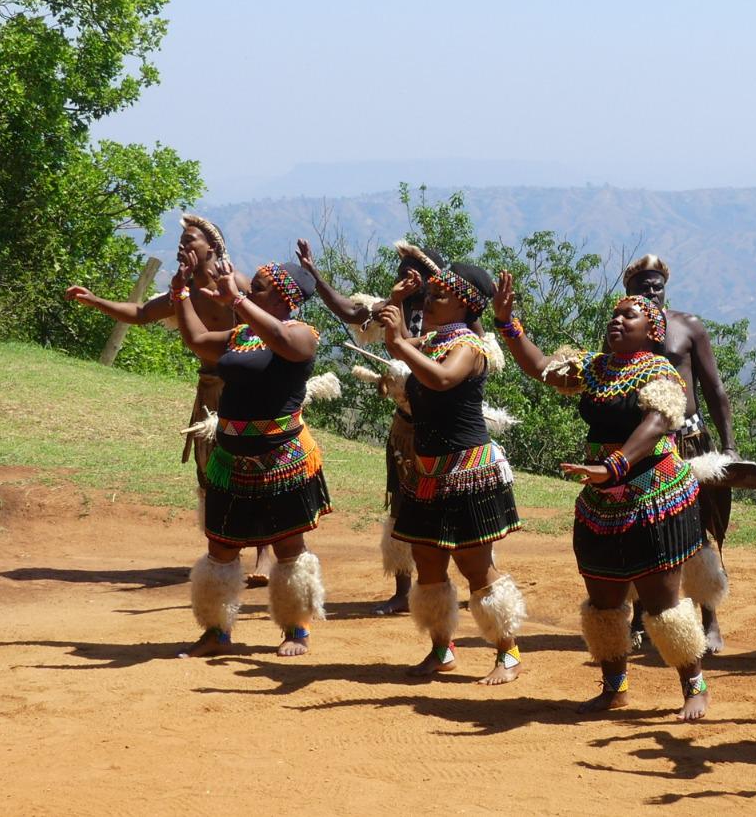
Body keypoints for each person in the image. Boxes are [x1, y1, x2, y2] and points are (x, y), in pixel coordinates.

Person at [495, 275, 711, 721]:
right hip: (600, 501)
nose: (616, 321)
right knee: (604, 601)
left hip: (653, 497)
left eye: (628, 315)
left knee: (661, 602)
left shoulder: (660, 372)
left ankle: (694, 686)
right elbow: (540, 368)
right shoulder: (594, 368)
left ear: (652, 331)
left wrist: (613, 466)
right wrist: (508, 323)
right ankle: (615, 687)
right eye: (614, 315)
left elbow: (657, 423)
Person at [67, 214, 274, 586]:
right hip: (210, 389)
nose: (183, 248)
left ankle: (265, 553)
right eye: (181, 243)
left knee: (253, 465)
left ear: (211, 248)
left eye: (190, 241)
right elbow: (143, 313)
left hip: (245, 389)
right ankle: (226, 549)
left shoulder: (236, 284)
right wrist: (95, 300)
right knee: (212, 471)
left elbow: (271, 321)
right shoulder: (184, 291)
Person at [170, 253, 332, 659]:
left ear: (282, 296)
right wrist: (180, 292)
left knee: (287, 546)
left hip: (282, 459)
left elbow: (280, 341)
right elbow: (194, 340)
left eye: (257, 287)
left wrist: (237, 302)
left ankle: (297, 627)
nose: (247, 290)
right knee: (220, 547)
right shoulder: (241, 334)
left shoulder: (302, 335)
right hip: (231, 457)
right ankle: (216, 631)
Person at [380, 260, 526, 685]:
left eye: (438, 295)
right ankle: (441, 650)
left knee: (475, 564)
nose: (429, 300)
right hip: (427, 472)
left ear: (464, 305)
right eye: (428, 294)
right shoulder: (433, 341)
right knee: (427, 562)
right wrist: (395, 305)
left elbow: (443, 379)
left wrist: (400, 345)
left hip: (467, 471)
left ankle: (509, 653)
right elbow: (403, 347)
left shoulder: (469, 346)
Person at [295, 237, 456, 616]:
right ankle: (403, 590)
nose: (403, 281)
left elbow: (467, 345)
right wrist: (315, 274)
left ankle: (449, 582)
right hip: (405, 426)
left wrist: (405, 341)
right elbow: (350, 311)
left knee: (447, 506)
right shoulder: (391, 309)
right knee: (401, 505)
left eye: (411, 275)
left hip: (445, 427)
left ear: (433, 279)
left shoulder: (452, 318)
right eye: (401, 275)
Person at [621, 255, 735, 654]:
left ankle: (709, 618)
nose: (651, 292)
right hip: (643, 444)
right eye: (642, 287)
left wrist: (730, 446)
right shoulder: (621, 330)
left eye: (656, 286)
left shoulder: (688, 327)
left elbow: (715, 391)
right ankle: (641, 617)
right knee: (640, 527)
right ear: (628, 292)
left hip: (689, 442)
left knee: (699, 530)